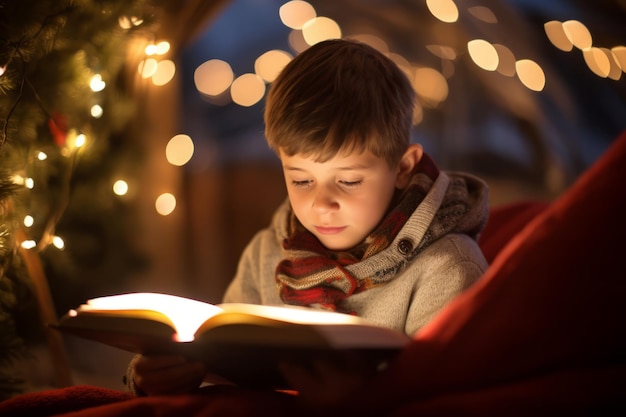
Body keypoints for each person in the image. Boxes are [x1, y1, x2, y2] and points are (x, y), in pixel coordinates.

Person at [125, 38, 490, 397]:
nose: (321, 204)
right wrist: (165, 373)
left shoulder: (447, 271)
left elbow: (457, 401)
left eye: (348, 181)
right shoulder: (267, 253)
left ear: (403, 167)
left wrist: (358, 405)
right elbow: (221, 353)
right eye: (301, 180)